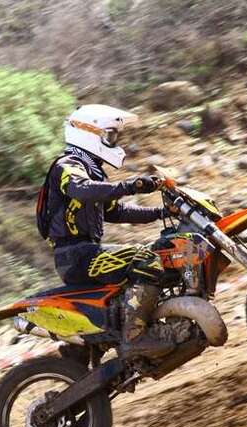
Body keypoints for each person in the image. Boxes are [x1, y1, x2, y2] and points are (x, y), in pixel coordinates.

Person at [42, 104, 173, 359]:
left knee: (158, 252)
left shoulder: (91, 170)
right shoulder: (68, 165)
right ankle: (135, 338)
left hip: (86, 253)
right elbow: (80, 189)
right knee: (145, 259)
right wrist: (130, 185)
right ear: (87, 133)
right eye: (109, 135)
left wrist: (162, 213)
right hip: (77, 256)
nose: (113, 141)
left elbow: (116, 211)